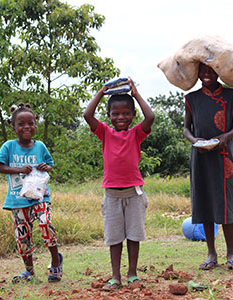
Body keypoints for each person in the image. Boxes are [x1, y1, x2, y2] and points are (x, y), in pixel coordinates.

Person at [83, 78, 154, 289]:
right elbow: (87, 115)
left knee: (133, 236)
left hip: (134, 194)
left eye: (126, 113)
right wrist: (101, 92)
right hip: (112, 196)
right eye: (116, 113)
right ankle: (116, 276)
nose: (121, 117)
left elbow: (150, 116)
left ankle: (132, 274)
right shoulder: (105, 132)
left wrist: (136, 94)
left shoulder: (136, 134)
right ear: (109, 116)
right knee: (114, 238)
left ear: (133, 115)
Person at [0, 103, 62, 283]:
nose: (26, 127)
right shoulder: (9, 146)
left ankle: (56, 262)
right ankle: (29, 271)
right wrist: (18, 170)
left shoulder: (40, 146)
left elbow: (50, 165)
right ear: (13, 126)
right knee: (23, 235)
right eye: (21, 124)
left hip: (40, 196)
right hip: (18, 200)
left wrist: (45, 166)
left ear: (35, 124)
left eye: (30, 123)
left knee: (46, 223)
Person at [183, 63, 233, 270]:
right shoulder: (191, 99)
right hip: (200, 157)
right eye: (202, 71)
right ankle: (211, 253)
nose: (206, 75)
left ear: (219, 72)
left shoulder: (231, 96)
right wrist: (195, 141)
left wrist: (225, 137)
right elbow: (186, 129)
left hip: (223, 156)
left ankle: (231, 252)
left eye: (211, 71)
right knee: (205, 201)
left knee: (225, 201)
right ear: (197, 73)